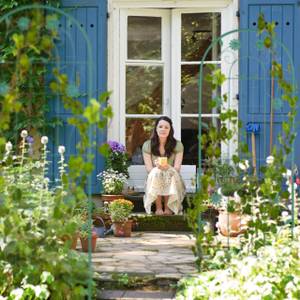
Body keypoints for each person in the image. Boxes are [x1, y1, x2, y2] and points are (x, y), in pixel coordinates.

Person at [142, 116, 186, 215]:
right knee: (157, 172)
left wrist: (167, 168)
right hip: (154, 177)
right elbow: (149, 169)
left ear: (170, 130)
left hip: (173, 177)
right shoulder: (147, 145)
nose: (163, 129)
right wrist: (158, 168)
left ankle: (168, 207)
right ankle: (158, 208)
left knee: (167, 172)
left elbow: (177, 168)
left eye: (166, 127)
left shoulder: (177, 145)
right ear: (156, 129)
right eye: (160, 126)